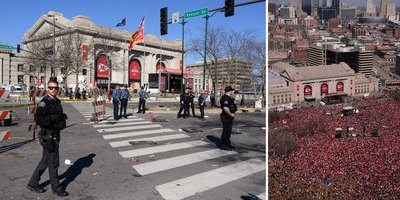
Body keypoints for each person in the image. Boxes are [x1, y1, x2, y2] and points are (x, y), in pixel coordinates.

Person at [27, 77, 69, 197]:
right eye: (51, 88)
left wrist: (62, 120)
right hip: (48, 136)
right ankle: (57, 188)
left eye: (55, 88)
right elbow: (39, 119)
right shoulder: (44, 102)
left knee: (46, 161)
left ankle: (33, 183)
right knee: (54, 162)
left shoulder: (57, 101)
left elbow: (59, 118)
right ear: (47, 89)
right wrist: (54, 119)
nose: (53, 90)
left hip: (55, 134)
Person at [219, 86, 237, 151]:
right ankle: (223, 145)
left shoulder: (229, 98)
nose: (232, 92)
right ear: (229, 91)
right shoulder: (225, 98)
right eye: (232, 91)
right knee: (226, 131)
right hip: (226, 117)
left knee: (229, 131)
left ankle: (228, 144)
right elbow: (225, 108)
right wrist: (231, 114)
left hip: (229, 117)